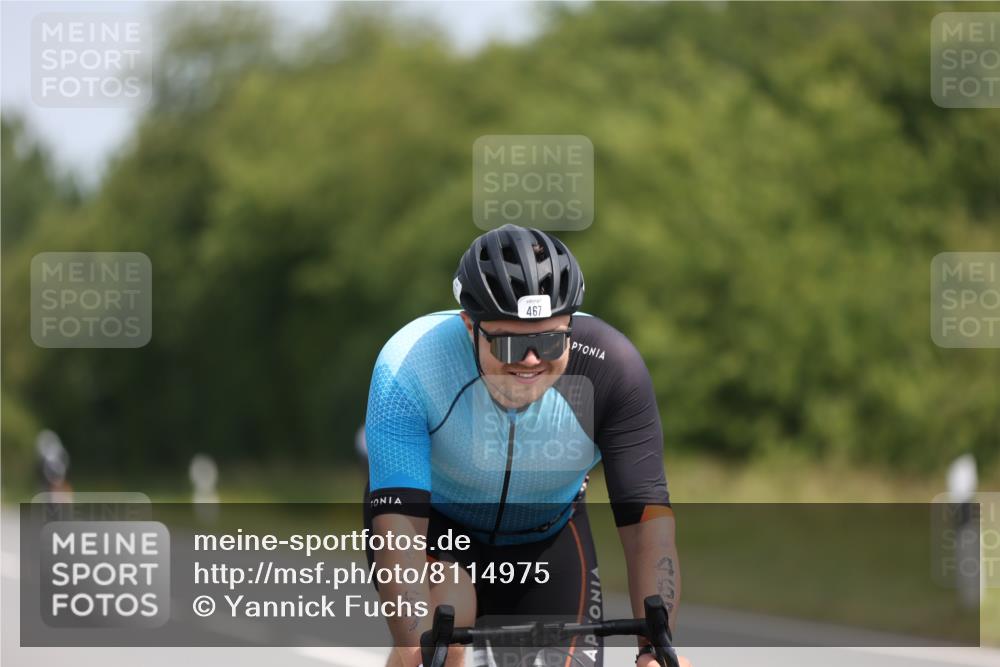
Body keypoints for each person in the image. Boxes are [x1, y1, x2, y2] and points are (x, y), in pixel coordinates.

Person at [363, 224, 689, 667]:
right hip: (439, 534)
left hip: (547, 536)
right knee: (440, 642)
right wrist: (418, 649)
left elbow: (646, 522)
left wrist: (657, 648)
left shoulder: (614, 370)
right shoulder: (410, 365)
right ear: (469, 326)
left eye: (549, 339)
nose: (531, 360)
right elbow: (399, 529)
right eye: (511, 342)